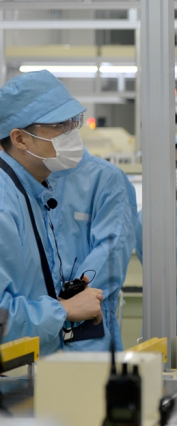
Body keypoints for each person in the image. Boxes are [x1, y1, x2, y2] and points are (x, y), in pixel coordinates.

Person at [0, 70, 103, 355]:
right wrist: (62, 310)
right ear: (20, 139)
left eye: (74, 122)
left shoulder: (33, 190)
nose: (72, 133)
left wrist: (64, 295)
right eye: (59, 125)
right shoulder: (4, 203)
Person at [49, 148, 137, 351]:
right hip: (33, 322)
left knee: (85, 380)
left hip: (86, 327)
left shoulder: (106, 178)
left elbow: (111, 248)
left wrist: (69, 302)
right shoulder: (23, 181)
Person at [136, 136, 177, 359]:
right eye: (176, 165)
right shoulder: (147, 217)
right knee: (161, 382)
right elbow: (148, 261)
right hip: (164, 313)